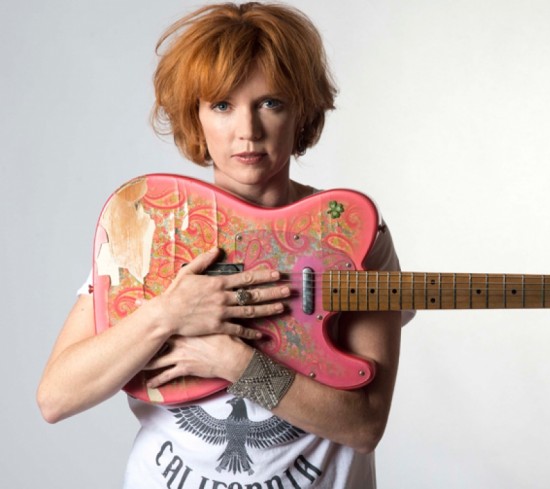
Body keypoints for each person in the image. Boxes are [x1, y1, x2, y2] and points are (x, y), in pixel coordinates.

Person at [37, 3, 408, 488]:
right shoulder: (153, 230)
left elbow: (363, 427)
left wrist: (231, 362)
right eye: (221, 106)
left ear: (302, 111)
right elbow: (55, 398)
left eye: (270, 102)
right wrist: (167, 314)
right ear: (195, 117)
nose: (247, 131)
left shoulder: (351, 234)